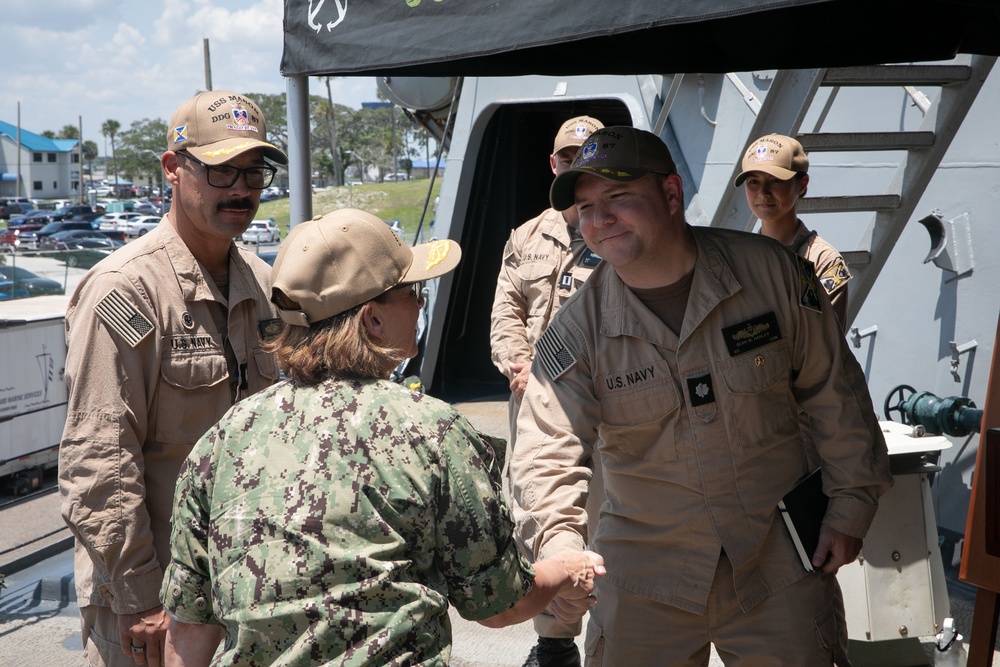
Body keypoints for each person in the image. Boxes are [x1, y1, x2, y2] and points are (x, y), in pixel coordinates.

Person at [510, 126, 893, 665]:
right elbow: (546, 452)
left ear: (671, 194)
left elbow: (835, 391)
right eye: (586, 205)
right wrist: (560, 548)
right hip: (645, 580)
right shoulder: (577, 332)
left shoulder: (772, 275)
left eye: (618, 197)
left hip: (777, 563)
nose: (599, 220)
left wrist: (852, 503)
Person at [159, 208, 606, 666]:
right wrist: (566, 570)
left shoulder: (222, 440)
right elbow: (498, 602)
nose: (419, 304)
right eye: (412, 292)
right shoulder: (431, 430)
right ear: (372, 320)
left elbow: (190, 632)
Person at [59, 90, 288, 667]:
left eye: (254, 171)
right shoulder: (126, 291)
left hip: (247, 593)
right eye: (221, 170)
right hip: (154, 603)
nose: (241, 188)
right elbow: (98, 459)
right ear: (173, 168)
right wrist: (138, 598)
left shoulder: (263, 285)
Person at [489, 114, 604, 667]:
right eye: (566, 158)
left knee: (607, 516)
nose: (573, 167)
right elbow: (505, 310)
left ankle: (615, 632)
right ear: (552, 165)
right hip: (534, 408)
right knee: (539, 517)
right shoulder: (526, 237)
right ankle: (556, 643)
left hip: (606, 409)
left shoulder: (618, 229)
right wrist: (518, 363)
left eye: (586, 158)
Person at [735, 133, 852, 331]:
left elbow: (821, 341)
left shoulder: (824, 262)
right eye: (753, 182)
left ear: (802, 184)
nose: (763, 193)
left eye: (775, 181)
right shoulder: (737, 258)